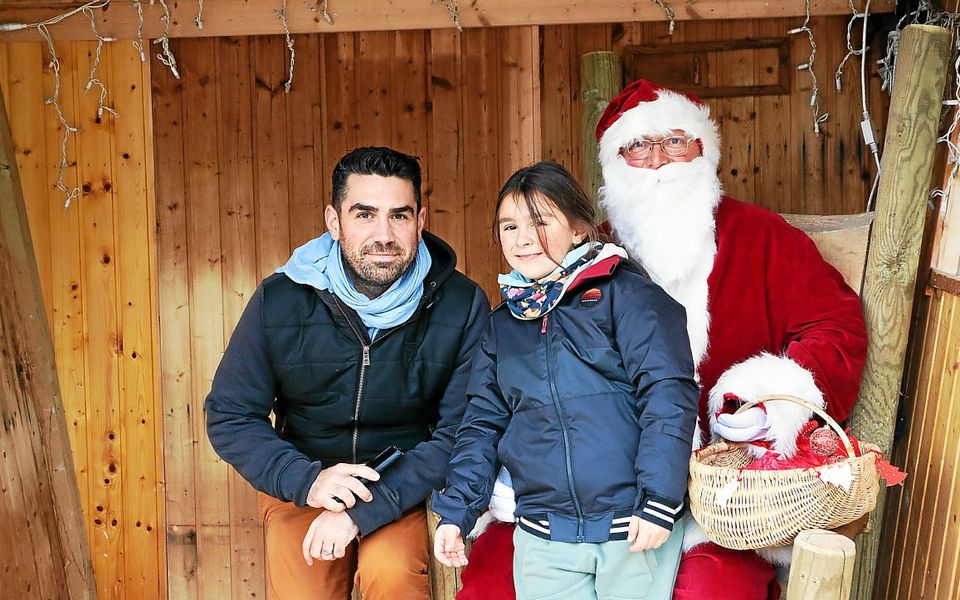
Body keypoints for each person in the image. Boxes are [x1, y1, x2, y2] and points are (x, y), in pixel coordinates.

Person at [457, 80, 868, 600]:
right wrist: (513, 469)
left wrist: (770, 400)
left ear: (703, 149)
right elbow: (516, 387)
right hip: (589, 494)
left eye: (675, 142)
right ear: (615, 163)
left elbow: (835, 326)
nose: (658, 160)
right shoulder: (572, 261)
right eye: (638, 146)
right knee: (492, 582)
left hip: (728, 491)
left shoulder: (764, 237)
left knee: (713, 590)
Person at [205, 146, 490, 600]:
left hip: (402, 484)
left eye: (399, 216)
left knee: (392, 575)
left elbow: (462, 430)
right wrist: (308, 481)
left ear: (420, 221)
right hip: (306, 478)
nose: (384, 235)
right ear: (334, 222)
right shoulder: (281, 298)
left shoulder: (460, 303)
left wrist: (362, 511)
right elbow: (230, 414)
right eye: (364, 215)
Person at [431, 161, 700, 600]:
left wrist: (658, 501)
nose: (522, 239)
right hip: (543, 537)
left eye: (540, 222)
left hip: (632, 527)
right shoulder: (502, 326)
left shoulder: (629, 297)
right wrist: (456, 511)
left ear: (578, 230)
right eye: (509, 226)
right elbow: (481, 424)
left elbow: (667, 394)